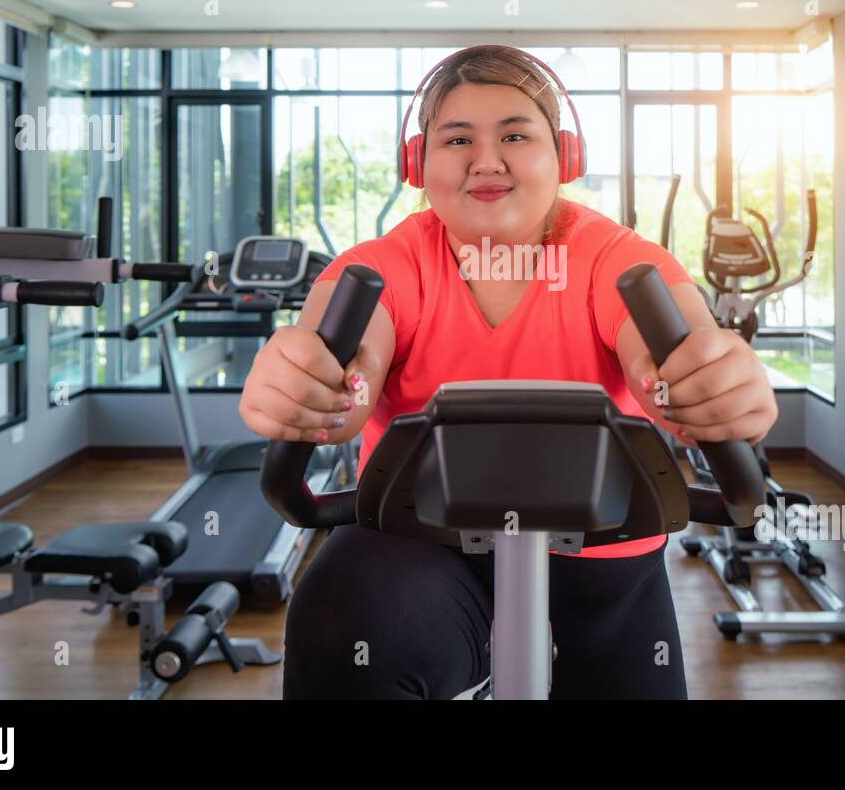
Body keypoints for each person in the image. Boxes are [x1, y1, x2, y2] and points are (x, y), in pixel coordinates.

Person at [239, 44, 778, 699]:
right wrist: (309, 382)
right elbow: (351, 369)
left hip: (603, 562)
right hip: (421, 548)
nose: (486, 160)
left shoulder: (612, 255)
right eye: (456, 138)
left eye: (515, 135)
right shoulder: (392, 262)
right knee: (337, 616)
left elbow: (665, 356)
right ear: (419, 164)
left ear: (564, 158)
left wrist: (706, 383)